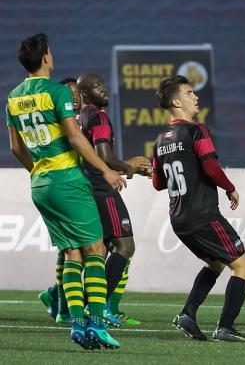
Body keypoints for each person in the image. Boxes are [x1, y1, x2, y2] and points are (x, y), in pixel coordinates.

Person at [6, 33, 126, 349]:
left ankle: (76, 325)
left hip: (41, 185)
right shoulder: (56, 92)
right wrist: (106, 169)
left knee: (72, 252)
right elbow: (74, 137)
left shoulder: (14, 96)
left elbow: (15, 146)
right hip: (67, 179)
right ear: (47, 57)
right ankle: (97, 324)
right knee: (96, 250)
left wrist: (38, 171)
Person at [152, 75, 245, 342]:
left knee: (217, 262)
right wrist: (230, 187)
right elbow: (210, 167)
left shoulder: (160, 139)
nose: (195, 97)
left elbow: (157, 183)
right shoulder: (197, 130)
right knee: (242, 265)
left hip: (178, 218)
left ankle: (188, 314)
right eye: (188, 92)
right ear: (176, 101)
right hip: (202, 214)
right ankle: (225, 327)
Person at [76, 73, 150, 326]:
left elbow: (90, 158)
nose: (104, 90)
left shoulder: (79, 117)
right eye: (97, 87)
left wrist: (125, 167)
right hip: (101, 189)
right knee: (125, 246)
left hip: (85, 187)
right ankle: (98, 305)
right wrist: (127, 166)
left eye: (103, 85)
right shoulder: (99, 117)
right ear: (85, 94)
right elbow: (104, 156)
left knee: (100, 249)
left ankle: (84, 303)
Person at [37, 77, 79, 324]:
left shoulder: (77, 121)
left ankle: (55, 295)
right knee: (72, 249)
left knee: (72, 249)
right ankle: (64, 306)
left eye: (77, 94)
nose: (74, 97)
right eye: (69, 93)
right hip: (65, 185)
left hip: (70, 185)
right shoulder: (64, 123)